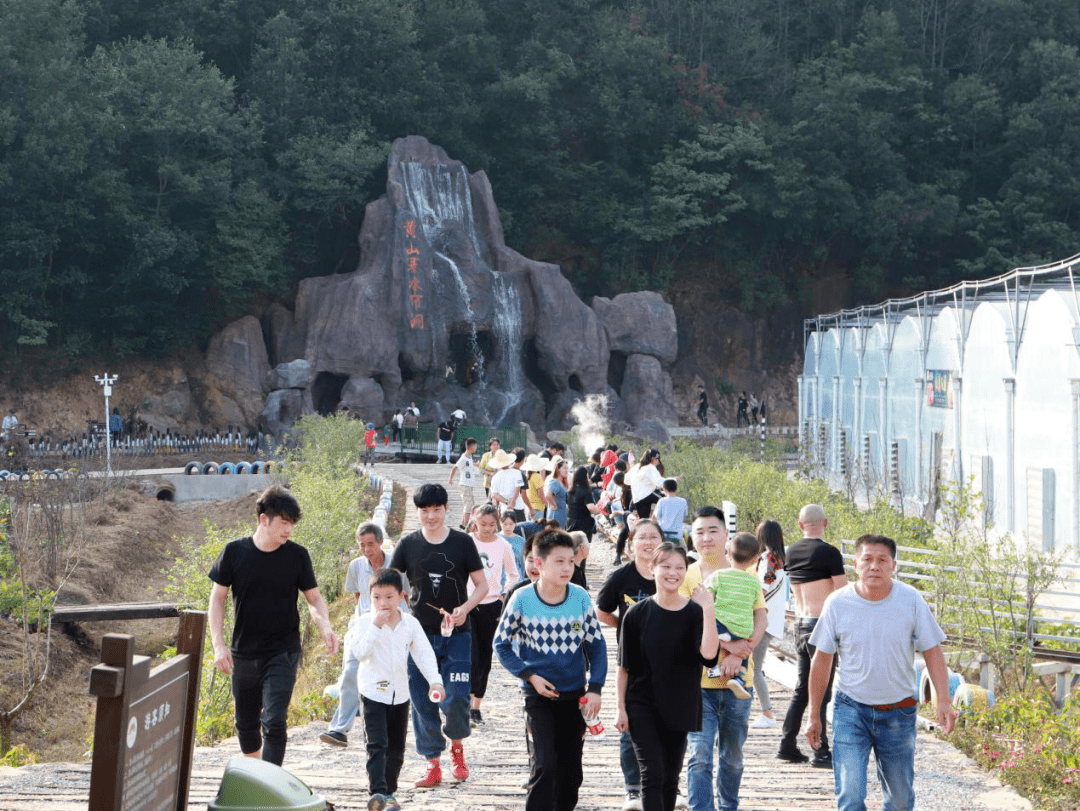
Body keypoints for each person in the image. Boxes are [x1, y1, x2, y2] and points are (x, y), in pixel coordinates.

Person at [805, 534, 955, 811]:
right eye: (867, 559)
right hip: (851, 709)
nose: (874, 566)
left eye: (882, 560)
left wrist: (943, 699)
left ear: (893, 566)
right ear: (855, 564)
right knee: (850, 795)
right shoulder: (837, 603)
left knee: (899, 800)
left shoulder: (910, 600)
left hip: (899, 710)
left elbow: (932, 650)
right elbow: (822, 659)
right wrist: (814, 715)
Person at [207, 486, 339, 766]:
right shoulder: (234, 552)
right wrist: (218, 645)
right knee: (245, 724)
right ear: (263, 519)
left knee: (275, 720)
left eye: (292, 523)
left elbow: (313, 598)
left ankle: (269, 784)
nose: (289, 529)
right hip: (244, 651)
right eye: (284, 522)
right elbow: (217, 599)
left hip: (284, 650)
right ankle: (256, 774)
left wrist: (325, 626)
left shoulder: (297, 556)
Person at [494, 528, 608, 811]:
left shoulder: (580, 597)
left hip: (574, 696)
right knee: (544, 766)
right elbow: (501, 645)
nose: (567, 568)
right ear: (538, 563)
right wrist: (529, 675)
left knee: (571, 774)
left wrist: (595, 688)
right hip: (537, 698)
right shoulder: (522, 599)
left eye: (570, 561)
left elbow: (596, 646)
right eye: (559, 561)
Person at [388, 483, 489, 787]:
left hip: (457, 634)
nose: (430, 516)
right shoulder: (408, 544)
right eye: (424, 510)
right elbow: (391, 582)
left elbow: (482, 585)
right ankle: (432, 763)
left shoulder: (462, 543)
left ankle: (457, 748)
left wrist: (466, 608)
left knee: (457, 697)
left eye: (436, 509)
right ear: (417, 511)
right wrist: (400, 604)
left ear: (447, 509)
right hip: (418, 635)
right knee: (422, 700)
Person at [616, 543, 720, 811]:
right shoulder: (636, 614)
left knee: (670, 778)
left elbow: (709, 656)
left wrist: (708, 608)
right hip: (642, 705)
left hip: (681, 703)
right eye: (665, 566)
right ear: (652, 569)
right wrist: (620, 709)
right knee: (653, 775)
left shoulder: (695, 612)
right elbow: (624, 667)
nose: (672, 573)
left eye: (679, 568)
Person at [680, 506, 767, 811]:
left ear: (726, 536)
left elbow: (760, 617)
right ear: (692, 539)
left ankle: (729, 806)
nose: (705, 538)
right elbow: (688, 626)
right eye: (699, 532)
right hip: (698, 682)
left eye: (712, 530)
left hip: (739, 678)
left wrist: (744, 649)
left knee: (732, 757)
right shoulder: (687, 575)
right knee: (699, 755)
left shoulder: (749, 576)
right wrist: (731, 651)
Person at [351, 568, 443, 807]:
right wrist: (375, 627)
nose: (383, 603)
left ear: (402, 596)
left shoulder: (409, 623)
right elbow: (360, 653)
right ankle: (378, 793)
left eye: (389, 597)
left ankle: (389, 792)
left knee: (397, 747)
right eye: (376, 597)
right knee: (377, 744)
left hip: (401, 694)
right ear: (369, 597)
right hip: (372, 692)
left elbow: (423, 653)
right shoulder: (362, 623)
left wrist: (435, 681)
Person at [597, 518, 663, 811]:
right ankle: (633, 789)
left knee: (667, 726)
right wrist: (623, 627)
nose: (648, 543)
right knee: (630, 724)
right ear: (631, 544)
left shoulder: (671, 572)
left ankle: (664, 783)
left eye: (654, 537)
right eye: (642, 538)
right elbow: (601, 611)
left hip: (668, 659)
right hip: (632, 660)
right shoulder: (621, 577)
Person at [779, 503, 847, 768]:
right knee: (822, 691)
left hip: (799, 623)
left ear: (800, 524)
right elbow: (842, 593)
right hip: (822, 626)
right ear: (825, 523)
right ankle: (821, 750)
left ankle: (787, 743)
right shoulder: (830, 553)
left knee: (802, 690)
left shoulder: (791, 552)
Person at [321, 522, 398, 748]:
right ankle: (339, 729)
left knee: (388, 675)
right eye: (362, 545)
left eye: (371, 544)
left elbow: (404, 594)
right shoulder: (356, 566)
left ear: (381, 542)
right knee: (350, 672)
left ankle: (386, 726)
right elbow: (358, 596)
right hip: (362, 626)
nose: (366, 550)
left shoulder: (395, 563)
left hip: (390, 626)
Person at [467, 504, 519, 727]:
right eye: (482, 524)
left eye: (491, 525)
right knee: (469, 654)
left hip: (491, 605)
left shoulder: (503, 545)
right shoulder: (466, 541)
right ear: (474, 520)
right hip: (467, 605)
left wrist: (502, 596)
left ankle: (476, 706)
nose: (487, 529)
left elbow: (513, 574)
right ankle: (464, 702)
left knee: (485, 658)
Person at [702, 532, 764, 699]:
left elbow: (704, 602)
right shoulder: (754, 582)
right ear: (754, 559)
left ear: (728, 552)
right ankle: (738, 678)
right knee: (742, 660)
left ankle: (718, 668)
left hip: (721, 626)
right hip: (743, 632)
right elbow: (761, 617)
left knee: (711, 622)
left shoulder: (718, 576)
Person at [751, 519, 788, 729]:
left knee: (754, 668)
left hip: (762, 619)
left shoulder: (768, 558)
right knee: (754, 667)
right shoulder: (781, 557)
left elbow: (763, 588)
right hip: (772, 619)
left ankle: (767, 713)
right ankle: (764, 712)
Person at [448, 436, 479, 529]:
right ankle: (465, 526)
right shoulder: (464, 458)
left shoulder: (469, 457)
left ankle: (463, 524)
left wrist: (476, 465)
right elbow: (455, 467)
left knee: (470, 505)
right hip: (465, 485)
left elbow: (468, 465)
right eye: (475, 446)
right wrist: (450, 478)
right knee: (468, 507)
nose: (476, 447)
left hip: (469, 485)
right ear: (471, 447)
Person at [491, 448, 529, 522]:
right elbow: (517, 490)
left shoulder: (495, 477)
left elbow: (494, 495)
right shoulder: (517, 473)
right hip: (518, 507)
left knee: (507, 530)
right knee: (520, 530)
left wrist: (506, 502)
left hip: (504, 508)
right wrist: (512, 503)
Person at [566, 465, 602, 539]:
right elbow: (591, 508)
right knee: (583, 547)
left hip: (570, 521)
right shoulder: (585, 491)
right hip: (582, 523)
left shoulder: (570, 490)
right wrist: (599, 511)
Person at [628, 449, 666, 519]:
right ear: (653, 459)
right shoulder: (650, 468)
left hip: (636, 501)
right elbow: (659, 482)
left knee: (644, 520)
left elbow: (626, 480)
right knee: (666, 499)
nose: (658, 461)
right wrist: (673, 480)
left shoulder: (638, 467)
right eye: (657, 459)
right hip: (644, 498)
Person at [653, 479, 688, 545]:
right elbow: (684, 518)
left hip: (664, 535)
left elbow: (655, 517)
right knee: (684, 553)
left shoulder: (662, 501)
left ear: (664, 489)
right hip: (677, 535)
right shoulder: (683, 501)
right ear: (676, 489)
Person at [543, 456, 569, 527]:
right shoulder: (555, 482)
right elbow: (548, 495)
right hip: (555, 517)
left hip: (561, 516)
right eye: (564, 468)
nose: (566, 470)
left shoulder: (561, 482)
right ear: (558, 469)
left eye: (567, 468)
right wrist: (553, 504)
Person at [501, 511, 527, 581]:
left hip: (517, 578)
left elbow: (523, 562)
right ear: (500, 523)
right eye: (505, 524)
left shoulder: (521, 541)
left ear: (515, 524)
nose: (508, 527)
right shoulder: (495, 539)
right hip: (500, 579)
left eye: (511, 524)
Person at [523, 454, 548, 521]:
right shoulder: (537, 476)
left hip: (528, 507)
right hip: (538, 508)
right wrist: (547, 504)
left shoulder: (527, 476)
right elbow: (540, 494)